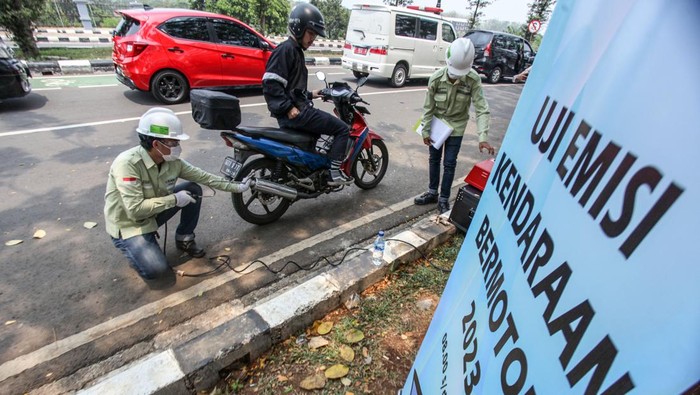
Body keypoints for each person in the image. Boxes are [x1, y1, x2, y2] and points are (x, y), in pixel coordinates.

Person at [104, 108, 252, 283]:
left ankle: (184, 238)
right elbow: (135, 210)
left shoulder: (172, 162)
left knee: (193, 189)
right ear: (156, 144)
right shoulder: (127, 164)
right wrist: (174, 199)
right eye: (173, 142)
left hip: (153, 213)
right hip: (130, 225)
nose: (178, 147)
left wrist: (238, 187)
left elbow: (205, 177)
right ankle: (136, 249)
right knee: (157, 271)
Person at [262, 3, 353, 186]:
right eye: (311, 33)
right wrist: (288, 108)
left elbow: (291, 88)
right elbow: (271, 84)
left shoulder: (295, 50)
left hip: (297, 109)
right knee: (343, 129)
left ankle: (308, 174)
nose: (312, 39)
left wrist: (312, 94)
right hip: (296, 113)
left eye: (315, 35)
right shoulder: (286, 50)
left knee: (316, 136)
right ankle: (333, 173)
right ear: (299, 28)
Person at [414, 38, 496, 214]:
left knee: (450, 163)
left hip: (457, 126)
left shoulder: (473, 80)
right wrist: (425, 130)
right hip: (438, 125)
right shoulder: (436, 79)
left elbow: (482, 109)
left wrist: (483, 137)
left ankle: (444, 199)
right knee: (434, 159)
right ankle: (432, 192)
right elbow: (428, 107)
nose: (456, 75)